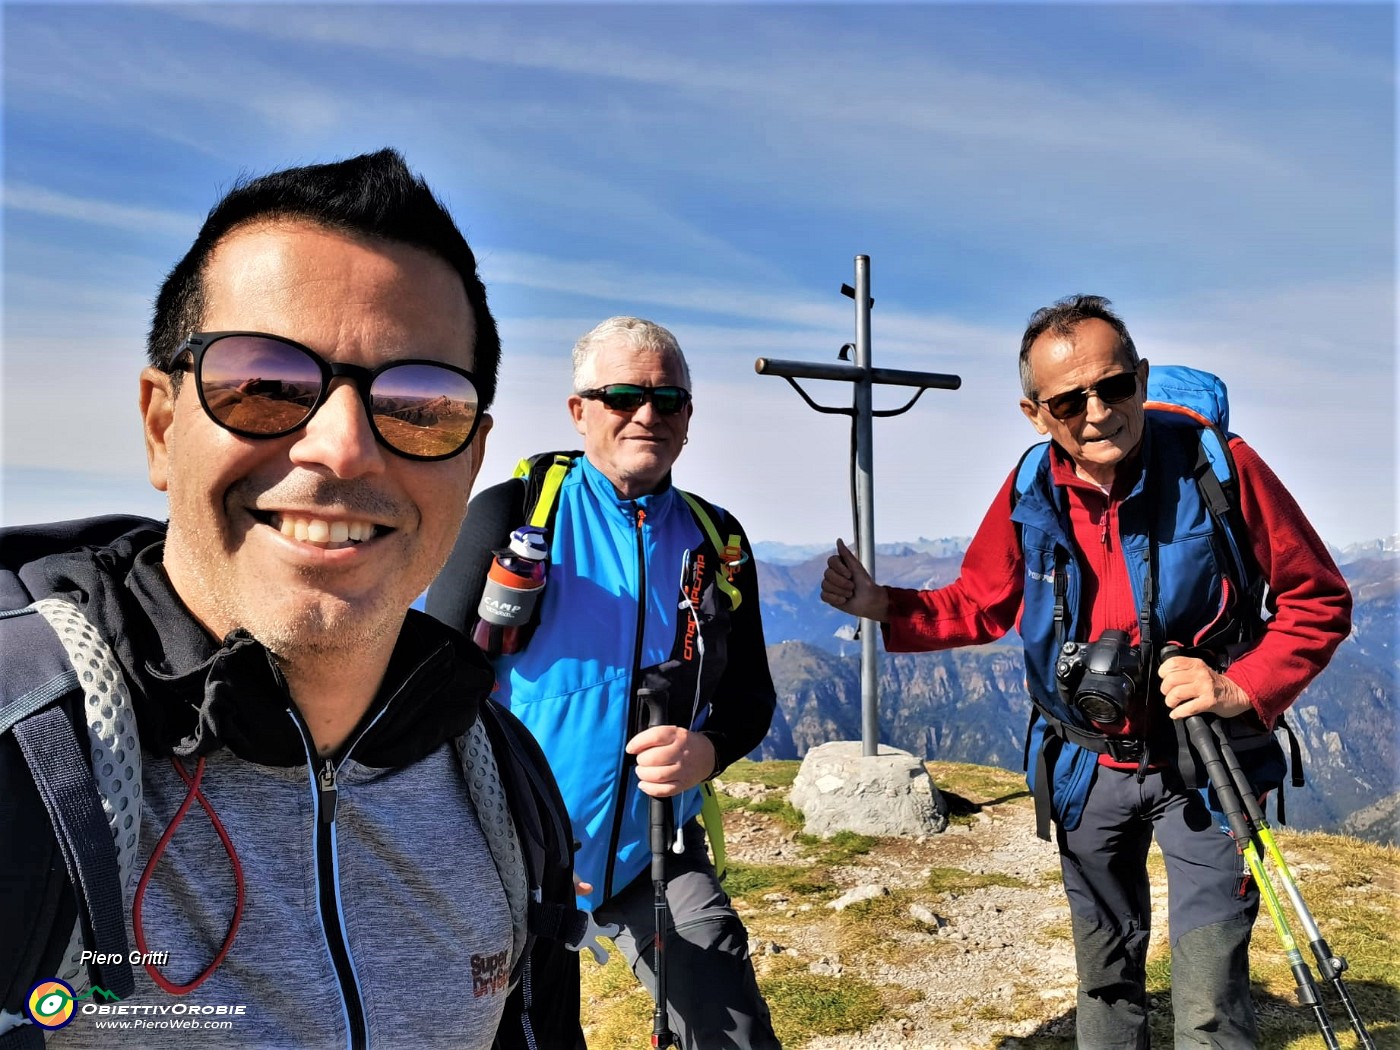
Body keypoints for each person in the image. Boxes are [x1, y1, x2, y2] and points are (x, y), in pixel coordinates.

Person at [0, 149, 585, 1049]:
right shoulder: (26, 757)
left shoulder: (503, 782)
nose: (344, 449)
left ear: (470, 461)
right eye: (264, 384)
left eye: (421, 403)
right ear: (162, 426)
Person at [821, 295, 1351, 1049]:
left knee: (1210, 992)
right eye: (1069, 399)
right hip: (1085, 764)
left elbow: (1317, 598)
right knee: (1104, 975)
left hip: (1206, 763)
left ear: (1139, 378)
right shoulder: (1031, 489)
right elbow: (981, 601)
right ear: (1038, 413)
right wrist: (882, 603)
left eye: (1113, 387)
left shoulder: (1217, 467)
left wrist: (1241, 687)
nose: (1097, 411)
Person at [427, 316, 782, 1049]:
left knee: (735, 1034)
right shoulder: (516, 512)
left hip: (652, 848)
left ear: (688, 419)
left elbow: (751, 696)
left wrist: (706, 753)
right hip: (511, 856)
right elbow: (429, 679)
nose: (646, 414)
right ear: (578, 410)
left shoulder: (719, 541)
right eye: (621, 396)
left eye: (668, 400)